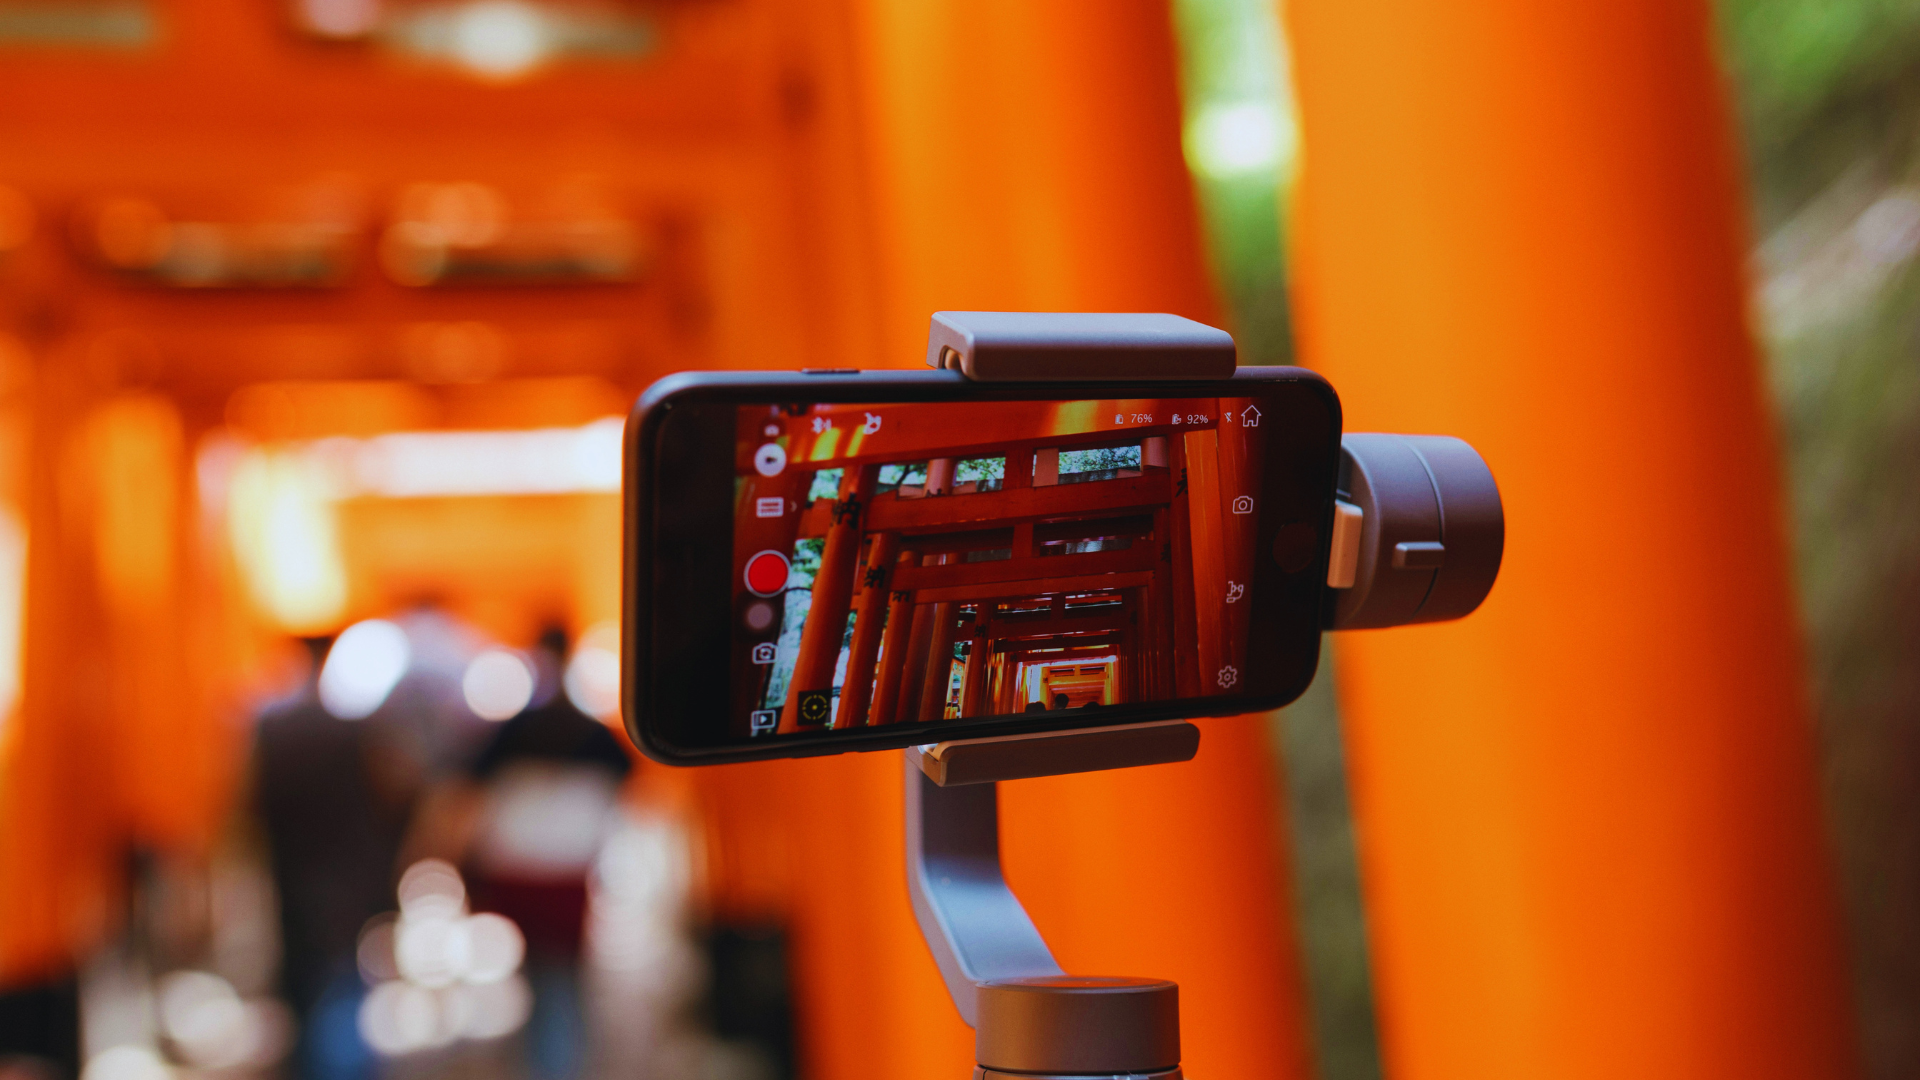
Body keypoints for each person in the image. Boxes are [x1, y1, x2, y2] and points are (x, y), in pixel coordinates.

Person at [403, 626, 633, 1080]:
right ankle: (560, 1055)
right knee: (561, 972)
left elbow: (468, 783)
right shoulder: (588, 730)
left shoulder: (515, 729)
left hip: (523, 870)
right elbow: (625, 775)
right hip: (564, 870)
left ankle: (553, 1056)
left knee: (544, 973)